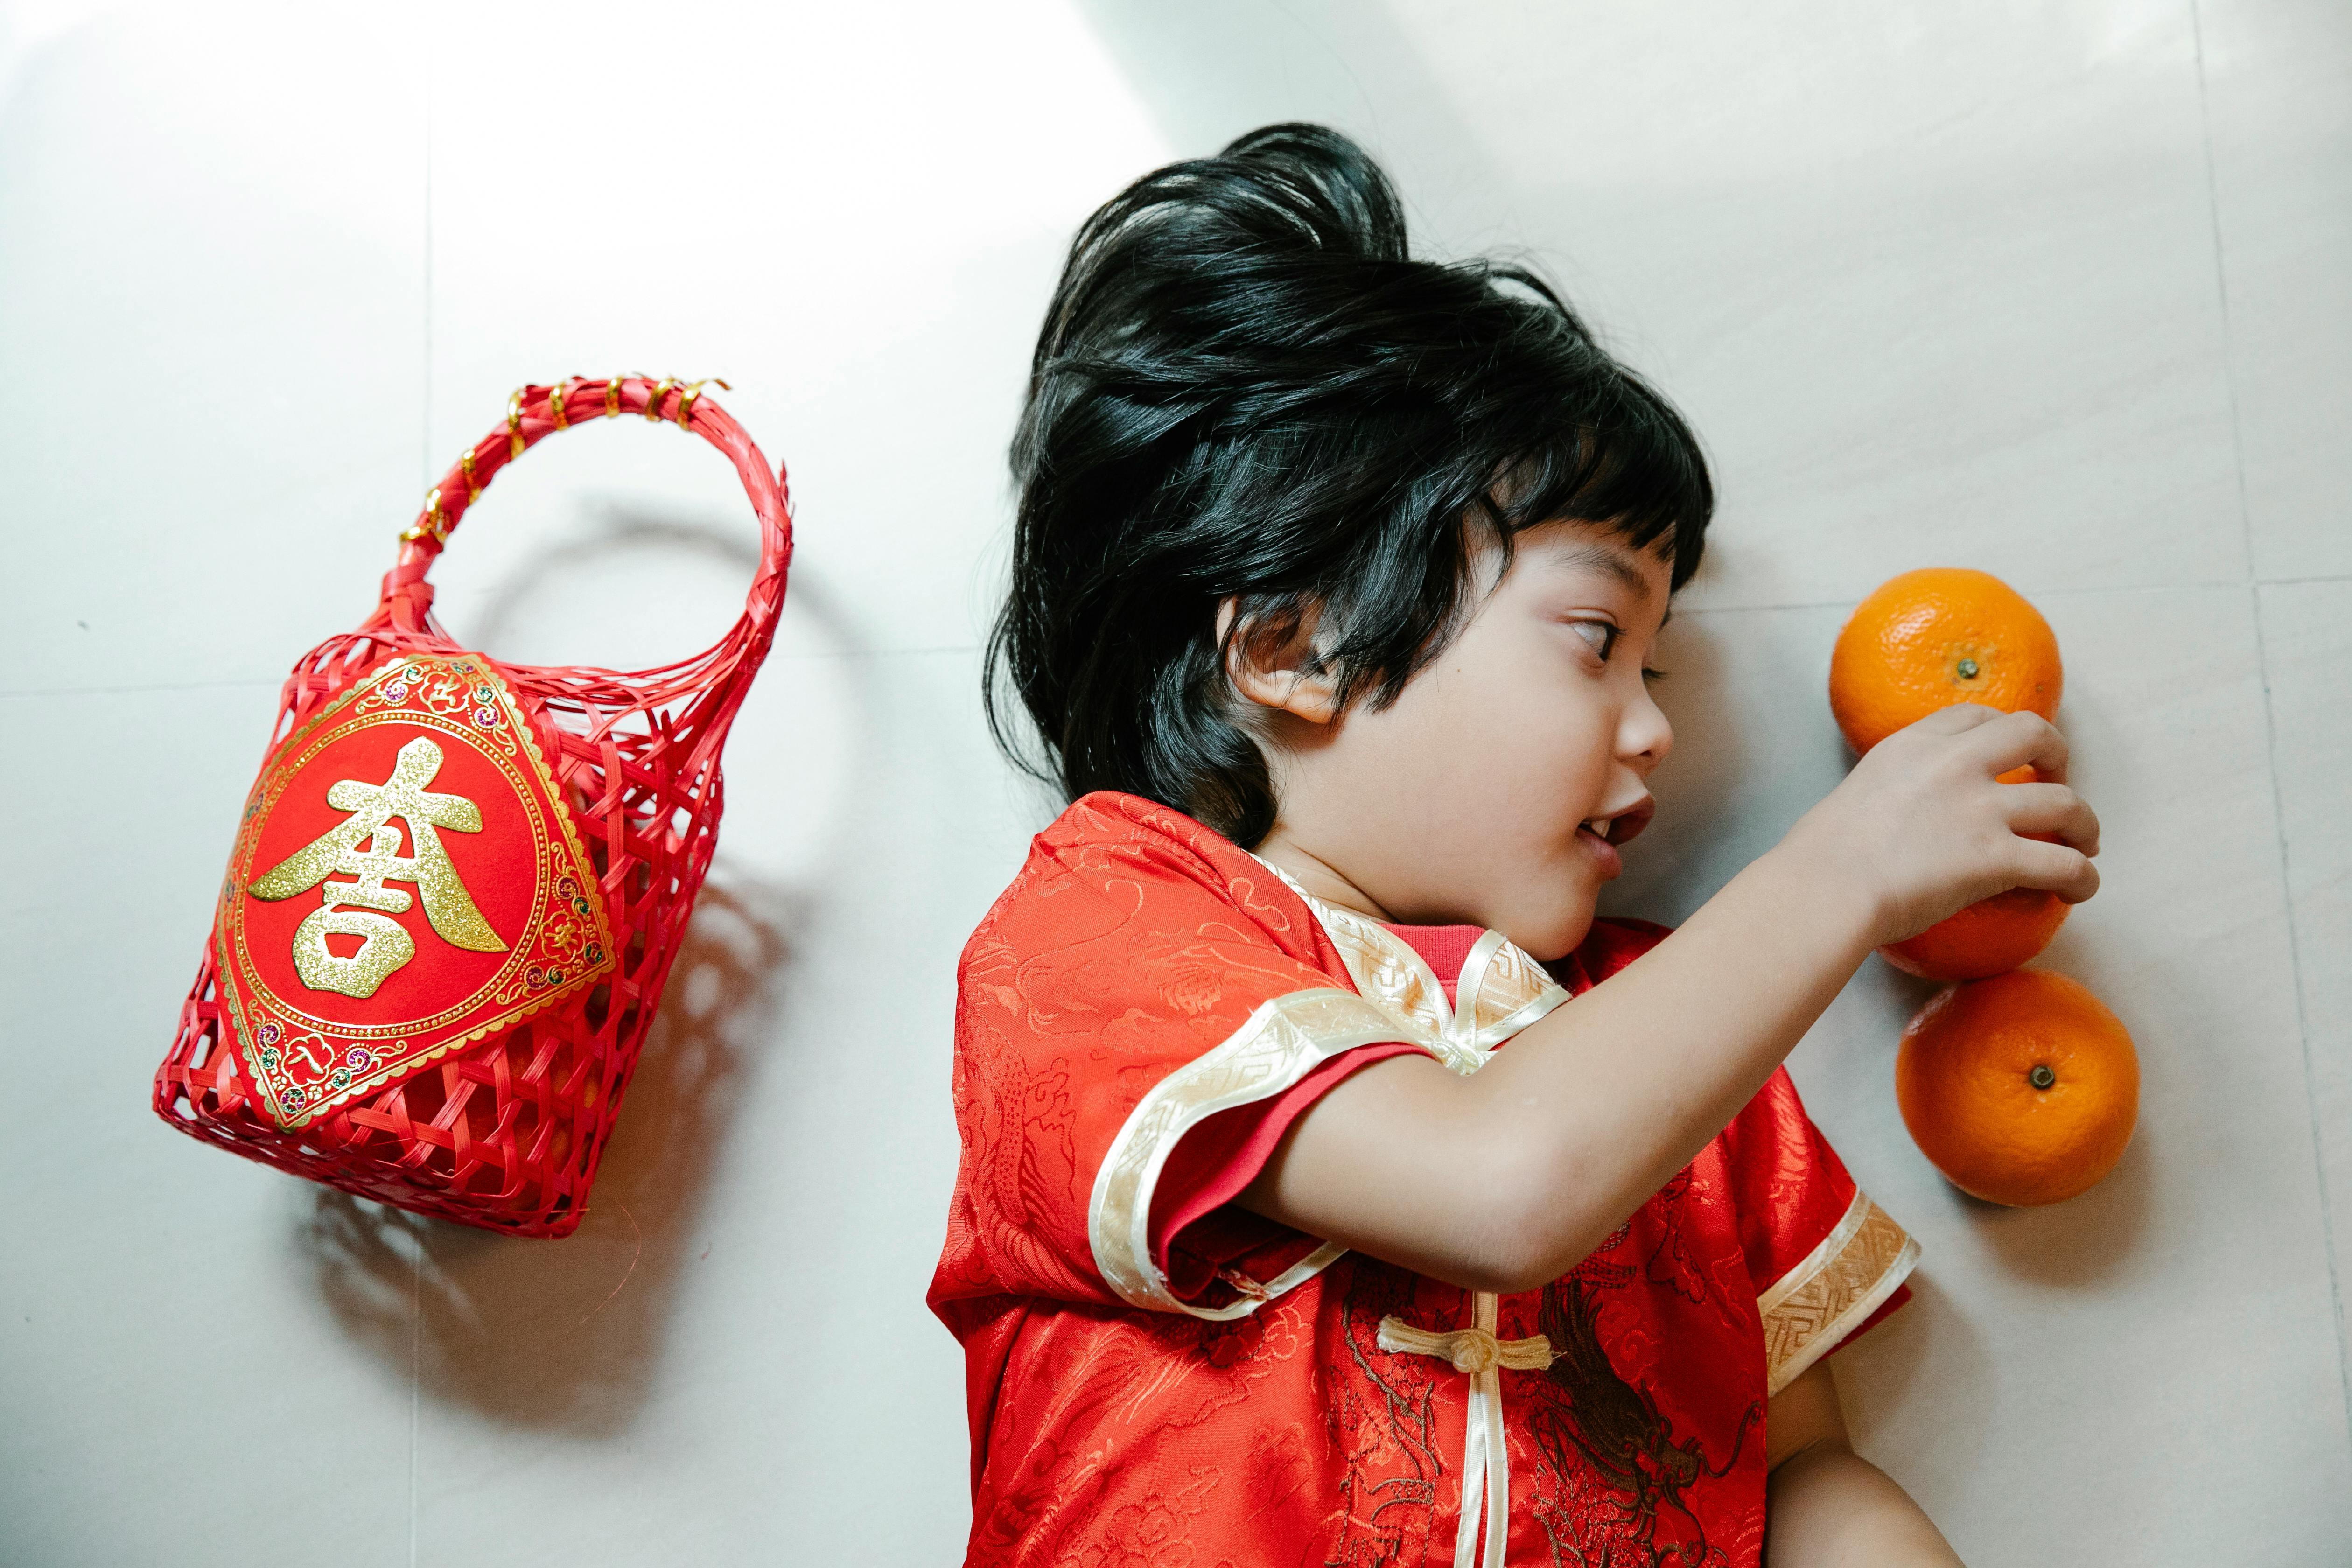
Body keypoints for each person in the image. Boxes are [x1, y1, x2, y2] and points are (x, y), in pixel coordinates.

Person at [928, 124, 2099, 1568]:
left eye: (1660, 670)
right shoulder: (1108, 928)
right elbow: (1493, 1185)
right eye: (1599, 641)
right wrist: (1839, 870)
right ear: (1295, 648)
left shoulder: (1677, 1026)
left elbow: (1796, 1474)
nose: (1653, 730)